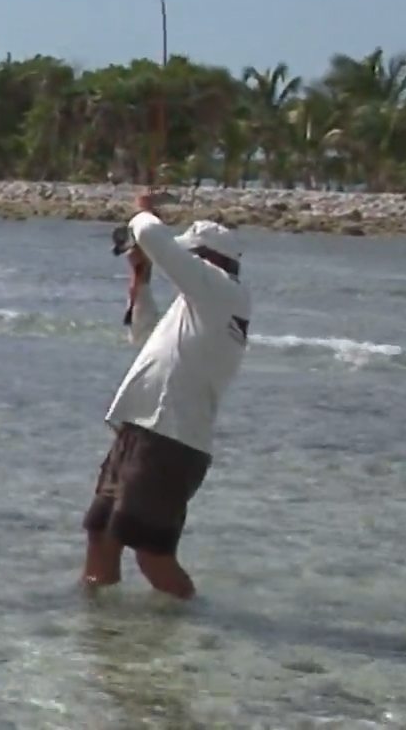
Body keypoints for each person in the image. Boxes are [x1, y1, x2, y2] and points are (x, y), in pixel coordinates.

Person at [81, 193, 252, 599]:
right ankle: (96, 632)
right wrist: (139, 278)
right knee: (101, 534)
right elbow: (144, 336)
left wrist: (141, 209)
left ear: (207, 259)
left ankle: (192, 629)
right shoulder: (198, 305)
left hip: (172, 439)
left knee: (150, 553)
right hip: (142, 430)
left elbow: (152, 235)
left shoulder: (223, 291)